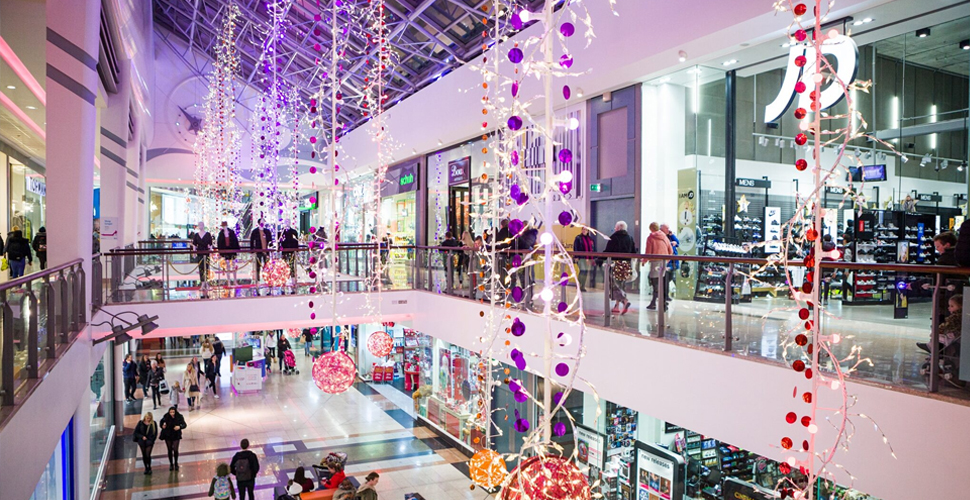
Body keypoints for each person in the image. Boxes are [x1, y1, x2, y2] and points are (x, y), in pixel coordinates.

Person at [603, 221, 636, 315]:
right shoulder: (630, 238)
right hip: (626, 265)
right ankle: (617, 306)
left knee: (614, 285)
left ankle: (625, 301)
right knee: (621, 285)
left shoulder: (613, 237)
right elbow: (633, 251)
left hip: (615, 264)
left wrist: (599, 259)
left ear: (617, 228)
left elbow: (608, 251)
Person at [645, 223, 674, 310]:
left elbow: (648, 252)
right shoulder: (665, 237)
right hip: (663, 262)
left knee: (655, 283)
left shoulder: (650, 238)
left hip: (655, 262)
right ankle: (662, 303)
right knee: (662, 282)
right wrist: (667, 260)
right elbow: (670, 250)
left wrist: (644, 261)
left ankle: (654, 302)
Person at [192, 222, 214, 295]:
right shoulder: (196, 235)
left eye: (201, 225)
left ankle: (206, 283)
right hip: (200, 253)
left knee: (207, 268)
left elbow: (210, 244)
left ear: (203, 226)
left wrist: (211, 252)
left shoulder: (207, 234)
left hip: (206, 253)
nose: (200, 226)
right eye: (199, 225)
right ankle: (202, 283)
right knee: (201, 268)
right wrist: (194, 253)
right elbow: (194, 245)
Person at [249, 220, 274, 284]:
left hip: (266, 252)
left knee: (267, 266)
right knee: (258, 266)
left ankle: (267, 279)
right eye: (261, 222)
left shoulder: (267, 231)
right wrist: (252, 251)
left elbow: (270, 241)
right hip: (258, 251)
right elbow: (252, 241)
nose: (262, 223)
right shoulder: (255, 232)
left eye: (263, 222)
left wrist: (271, 249)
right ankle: (258, 280)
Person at [217, 221, 242, 286]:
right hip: (225, 251)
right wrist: (220, 252)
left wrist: (238, 250)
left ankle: (235, 281)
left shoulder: (231, 232)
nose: (224, 227)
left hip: (232, 251)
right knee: (228, 267)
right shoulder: (221, 233)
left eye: (225, 226)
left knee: (234, 266)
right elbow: (219, 243)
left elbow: (235, 241)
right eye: (223, 226)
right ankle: (229, 282)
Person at [572, 227, 596, 292]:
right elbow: (575, 247)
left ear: (588, 231)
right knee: (582, 270)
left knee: (585, 272)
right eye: (583, 229)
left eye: (585, 230)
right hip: (581, 258)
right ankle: (579, 285)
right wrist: (576, 256)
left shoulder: (590, 239)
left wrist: (593, 258)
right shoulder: (578, 238)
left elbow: (593, 249)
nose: (584, 231)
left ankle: (583, 286)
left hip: (588, 258)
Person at [661, 224, 680, 302]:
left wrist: (672, 235)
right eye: (667, 228)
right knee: (666, 279)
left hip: (673, 262)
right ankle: (664, 295)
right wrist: (672, 244)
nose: (668, 230)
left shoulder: (669, 236)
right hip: (667, 261)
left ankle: (666, 295)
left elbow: (678, 243)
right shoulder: (662, 237)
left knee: (670, 278)